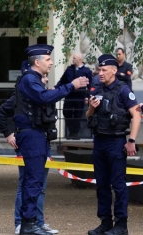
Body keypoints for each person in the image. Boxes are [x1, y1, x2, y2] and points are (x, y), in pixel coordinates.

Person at [14, 44, 89, 235]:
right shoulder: (30, 80)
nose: (52, 63)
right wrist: (71, 85)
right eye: (48, 60)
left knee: (36, 180)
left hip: (37, 134)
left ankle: (31, 222)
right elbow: (44, 97)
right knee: (33, 180)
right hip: (31, 134)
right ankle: (28, 224)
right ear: (37, 62)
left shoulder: (35, 79)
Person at [0, 72, 58, 235]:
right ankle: (21, 222)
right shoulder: (21, 97)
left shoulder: (42, 98)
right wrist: (9, 135)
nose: (44, 81)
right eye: (42, 78)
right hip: (28, 145)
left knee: (40, 186)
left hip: (43, 144)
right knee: (26, 183)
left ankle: (38, 222)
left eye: (45, 78)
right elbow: (0, 114)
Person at [86, 54, 140, 235]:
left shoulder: (123, 90)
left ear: (114, 71)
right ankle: (105, 222)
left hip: (116, 142)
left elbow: (137, 115)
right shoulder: (97, 89)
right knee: (101, 185)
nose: (100, 73)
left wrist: (131, 140)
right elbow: (88, 116)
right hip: (99, 141)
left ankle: (121, 225)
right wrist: (91, 108)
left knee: (118, 185)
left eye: (104, 70)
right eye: (99, 70)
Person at [55, 53, 92, 139]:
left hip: (80, 96)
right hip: (69, 95)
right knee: (66, 112)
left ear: (80, 60)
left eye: (74, 58)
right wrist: (55, 87)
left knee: (77, 114)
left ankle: (75, 133)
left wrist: (88, 96)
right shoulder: (69, 69)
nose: (73, 60)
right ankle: (72, 131)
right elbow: (62, 81)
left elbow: (90, 85)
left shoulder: (86, 71)